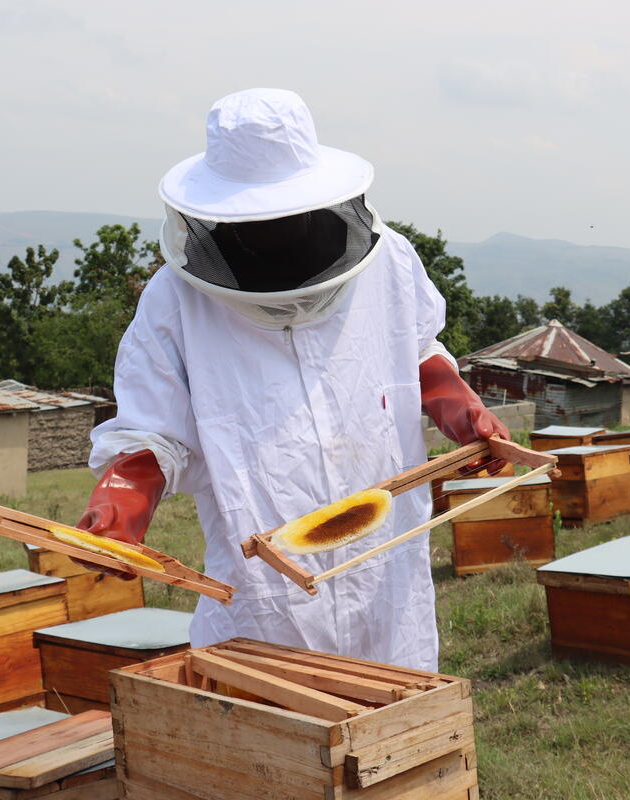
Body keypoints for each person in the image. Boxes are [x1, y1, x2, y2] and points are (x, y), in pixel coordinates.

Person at [77, 88, 507, 671]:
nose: (275, 235)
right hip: (261, 597)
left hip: (389, 576)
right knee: (274, 743)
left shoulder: (390, 263)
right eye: (257, 222)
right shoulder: (175, 302)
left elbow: (418, 354)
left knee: (395, 735)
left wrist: (459, 408)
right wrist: (122, 499)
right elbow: (154, 430)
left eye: (286, 217)